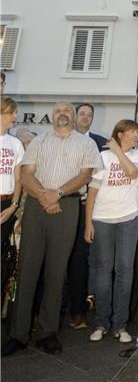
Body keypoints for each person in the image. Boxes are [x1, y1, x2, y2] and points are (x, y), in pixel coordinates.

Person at [2, 102, 101, 357]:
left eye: (67, 110)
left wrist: (56, 194)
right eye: (58, 111)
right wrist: (45, 197)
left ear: (73, 115)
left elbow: (85, 176)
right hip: (37, 206)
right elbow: (26, 174)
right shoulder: (39, 141)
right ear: (53, 116)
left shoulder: (86, 144)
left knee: (57, 271)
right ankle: (18, 333)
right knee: (27, 269)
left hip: (67, 208)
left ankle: (47, 332)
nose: (62, 114)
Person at [84, 119, 138, 343]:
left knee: (125, 271)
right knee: (102, 272)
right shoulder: (102, 157)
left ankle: (120, 325)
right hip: (102, 219)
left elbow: (131, 172)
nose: (134, 136)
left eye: (136, 133)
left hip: (128, 220)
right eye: (130, 132)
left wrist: (119, 152)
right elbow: (92, 190)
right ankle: (101, 322)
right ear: (120, 134)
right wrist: (88, 223)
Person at [67, 102, 107, 329]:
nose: (85, 117)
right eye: (82, 113)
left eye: (89, 115)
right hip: (64, 204)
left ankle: (77, 311)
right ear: (75, 116)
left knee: (80, 260)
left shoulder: (101, 143)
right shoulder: (60, 140)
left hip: (87, 207)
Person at [0, 97, 24, 298]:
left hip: (6, 204)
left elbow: (18, 179)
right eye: (11, 112)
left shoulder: (15, 144)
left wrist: (14, 205)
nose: (15, 117)